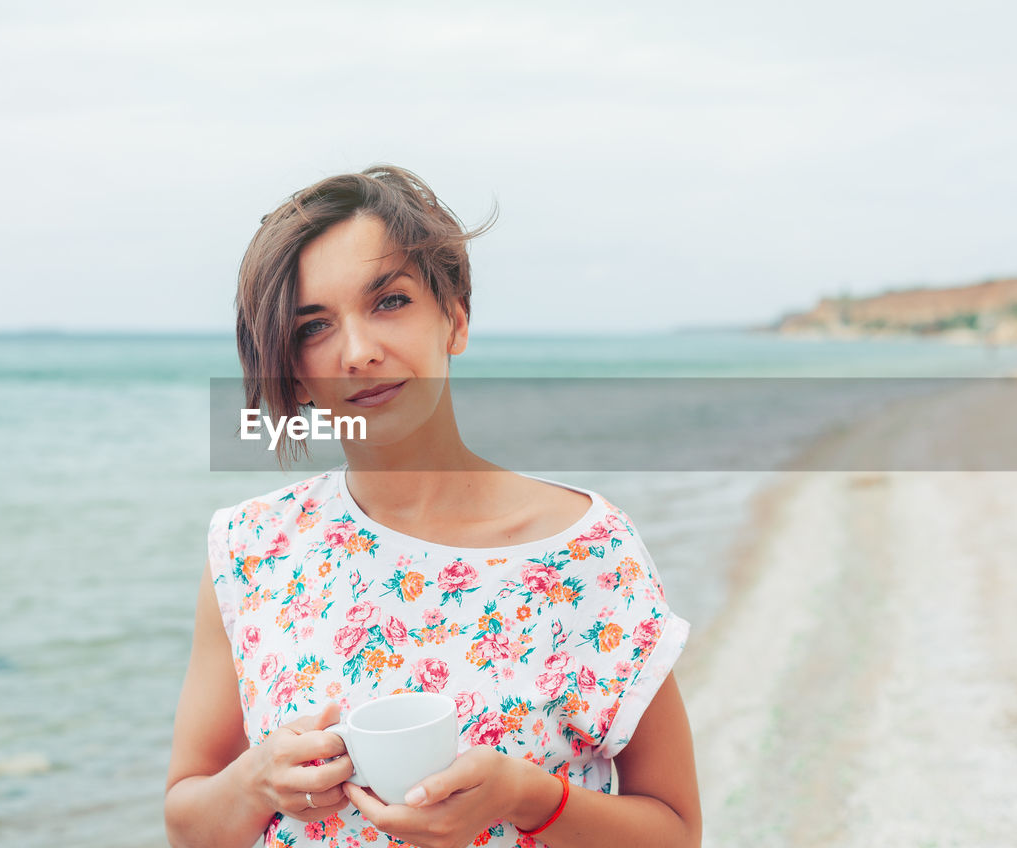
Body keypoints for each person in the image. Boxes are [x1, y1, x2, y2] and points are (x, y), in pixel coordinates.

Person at [165, 166, 701, 848]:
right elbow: (188, 823)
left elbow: (677, 833)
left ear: (455, 317)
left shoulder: (588, 554)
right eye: (314, 327)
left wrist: (528, 798)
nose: (358, 352)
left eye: (388, 302)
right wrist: (256, 782)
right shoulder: (251, 549)